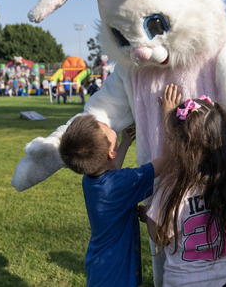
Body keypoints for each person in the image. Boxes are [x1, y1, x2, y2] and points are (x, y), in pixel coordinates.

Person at [143, 93, 226, 287]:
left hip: (182, 282)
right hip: (223, 282)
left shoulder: (175, 186)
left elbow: (160, 238)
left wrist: (148, 215)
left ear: (181, 146)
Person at [57, 84, 179, 287]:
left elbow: (110, 169)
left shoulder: (90, 179)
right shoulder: (122, 183)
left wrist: (123, 144)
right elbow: (165, 160)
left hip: (100, 268)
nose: (109, 125)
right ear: (110, 152)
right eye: (106, 128)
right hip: (116, 275)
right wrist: (167, 116)